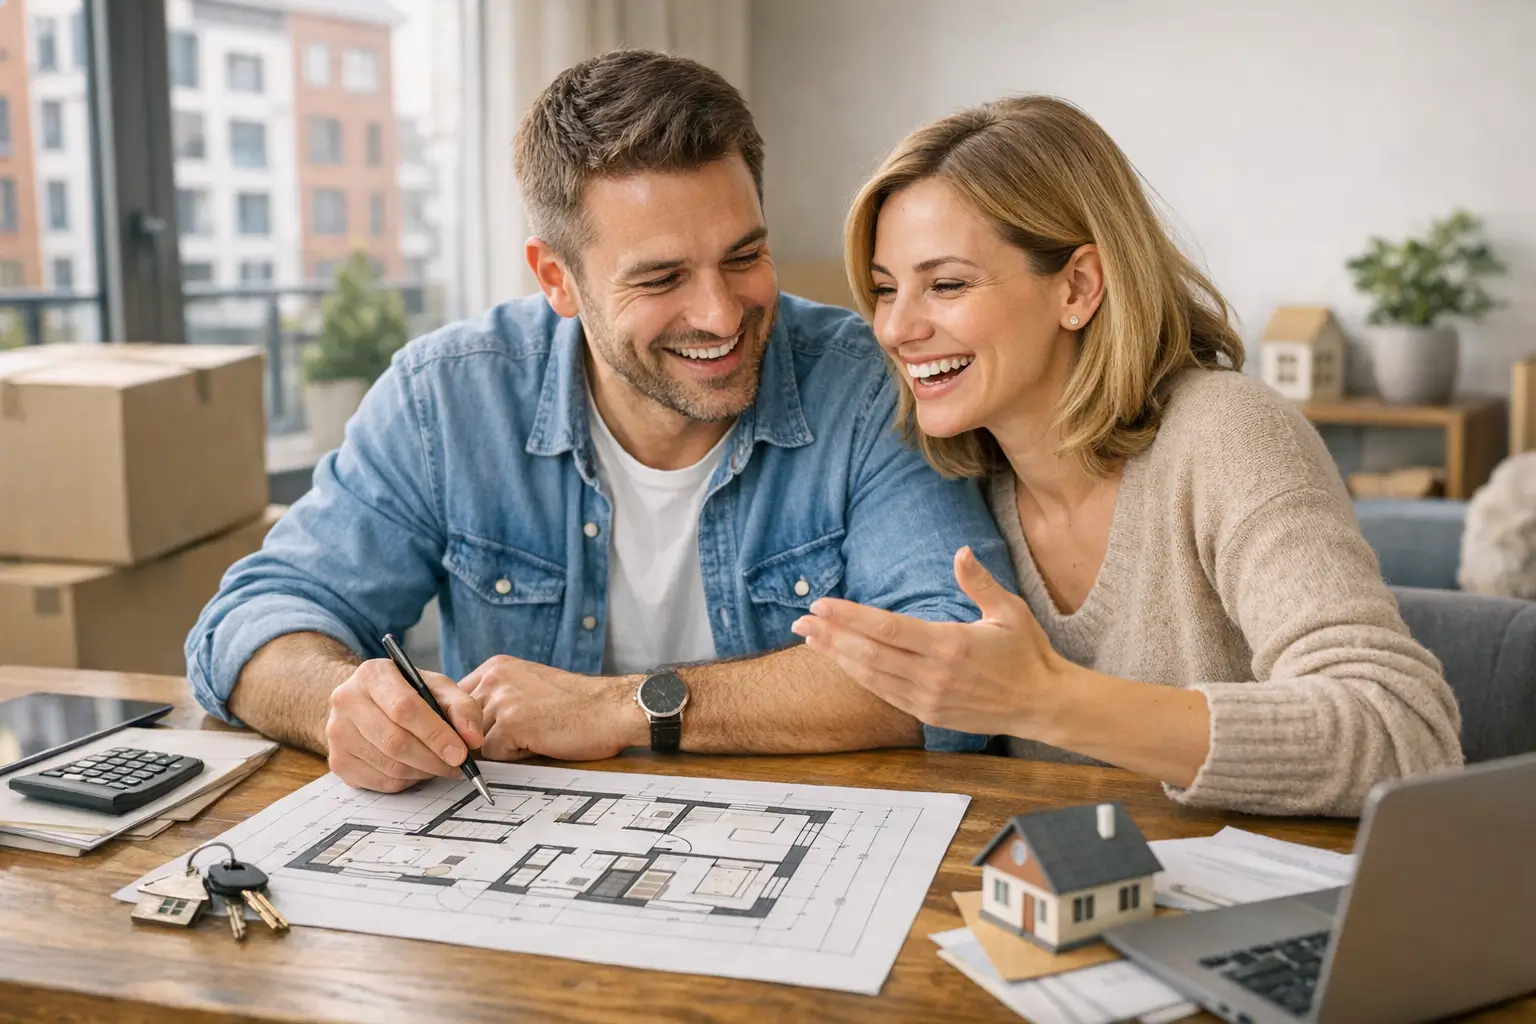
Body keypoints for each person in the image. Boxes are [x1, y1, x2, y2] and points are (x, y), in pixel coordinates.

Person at [185, 51, 1015, 793]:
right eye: (661, 279)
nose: (722, 314)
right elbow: (253, 620)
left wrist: (625, 708)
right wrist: (350, 704)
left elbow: (958, 665)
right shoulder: (448, 399)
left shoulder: (865, 387)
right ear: (557, 277)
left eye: (743, 256)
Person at [792, 96, 1462, 816]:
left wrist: (1046, 700)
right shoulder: (951, 486)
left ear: (1078, 286)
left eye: (947, 284)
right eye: (886, 290)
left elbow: (1404, 734)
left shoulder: (1227, 436)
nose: (895, 329)